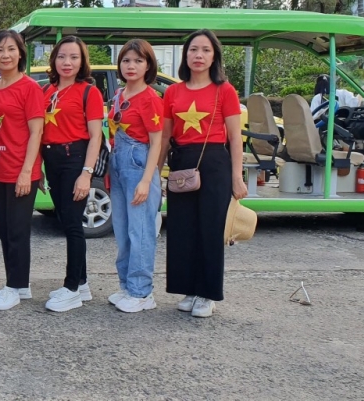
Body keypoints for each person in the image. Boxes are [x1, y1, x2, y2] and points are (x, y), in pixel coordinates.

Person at [158, 29, 247, 318]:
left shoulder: (226, 91)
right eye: (194, 49)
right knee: (183, 229)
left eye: (206, 50)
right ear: (185, 55)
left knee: (210, 230)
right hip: (183, 160)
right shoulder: (172, 91)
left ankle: (207, 294)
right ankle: (189, 289)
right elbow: (165, 137)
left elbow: (236, 137)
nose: (199, 55)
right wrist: (154, 174)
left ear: (214, 56)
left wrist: (237, 177)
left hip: (215, 163)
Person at [39, 36, 104, 313]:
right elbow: (40, 132)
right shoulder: (47, 91)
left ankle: (71, 288)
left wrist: (86, 174)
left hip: (75, 158)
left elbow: (95, 137)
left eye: (74, 57)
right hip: (52, 160)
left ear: (82, 61)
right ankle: (82, 282)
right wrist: (38, 168)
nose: (67, 62)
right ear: (54, 59)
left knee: (74, 225)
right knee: (66, 221)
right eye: (62, 56)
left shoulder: (89, 92)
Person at [0, 30, 44, 311]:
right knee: (5, 230)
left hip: (22, 171)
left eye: (10, 49)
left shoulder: (30, 87)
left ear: (21, 53)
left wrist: (26, 171)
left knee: (18, 232)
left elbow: (36, 132)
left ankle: (13, 288)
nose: (5, 55)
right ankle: (19, 283)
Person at [107, 39, 164, 313]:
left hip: (140, 165)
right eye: (127, 60)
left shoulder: (151, 98)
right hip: (118, 165)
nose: (131, 66)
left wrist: (146, 179)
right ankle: (127, 287)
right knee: (122, 230)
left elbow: (157, 143)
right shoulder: (119, 95)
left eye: (138, 61)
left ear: (148, 65)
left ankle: (142, 293)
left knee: (140, 231)